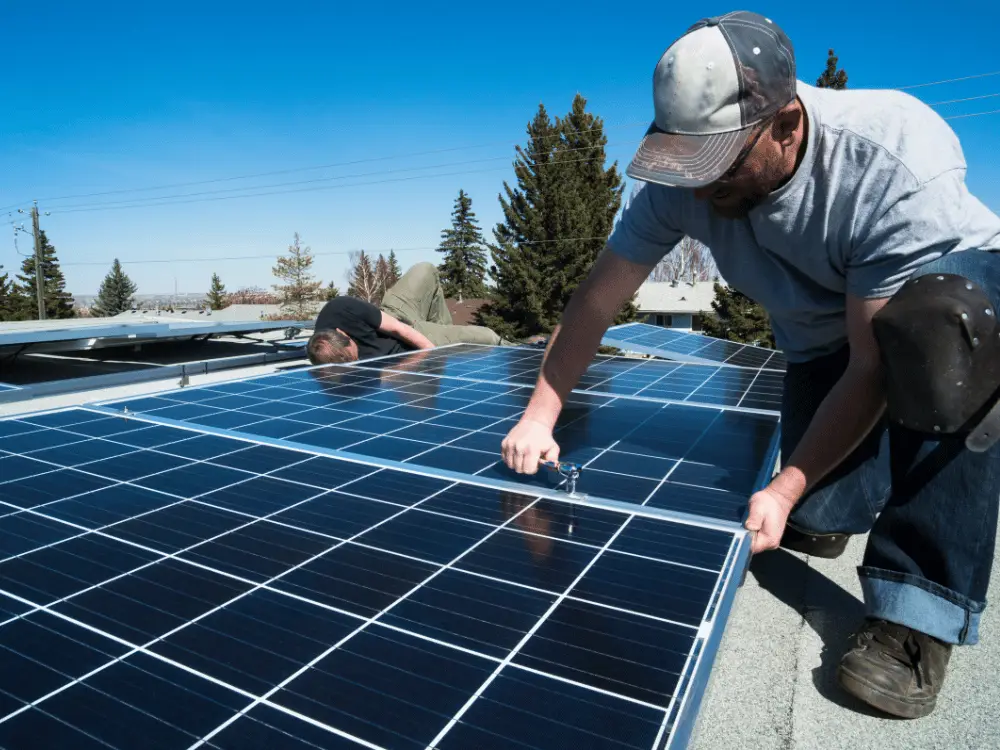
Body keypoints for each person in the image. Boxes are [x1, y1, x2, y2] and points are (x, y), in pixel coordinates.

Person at [499, 10, 1000, 720]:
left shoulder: (890, 156)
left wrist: (786, 488)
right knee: (823, 513)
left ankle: (919, 612)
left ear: (785, 126)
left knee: (942, 338)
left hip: (940, 310)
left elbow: (871, 365)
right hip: (821, 337)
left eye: (718, 167)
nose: (700, 192)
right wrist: (540, 414)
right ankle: (854, 484)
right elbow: (597, 300)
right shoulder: (682, 183)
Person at [307, 262, 511, 364]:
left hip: (396, 320)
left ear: (342, 333)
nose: (358, 358)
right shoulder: (334, 367)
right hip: (406, 352)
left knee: (426, 269)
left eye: (355, 352)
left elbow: (398, 328)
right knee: (487, 337)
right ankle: (521, 348)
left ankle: (442, 330)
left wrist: (435, 356)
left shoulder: (340, 308)